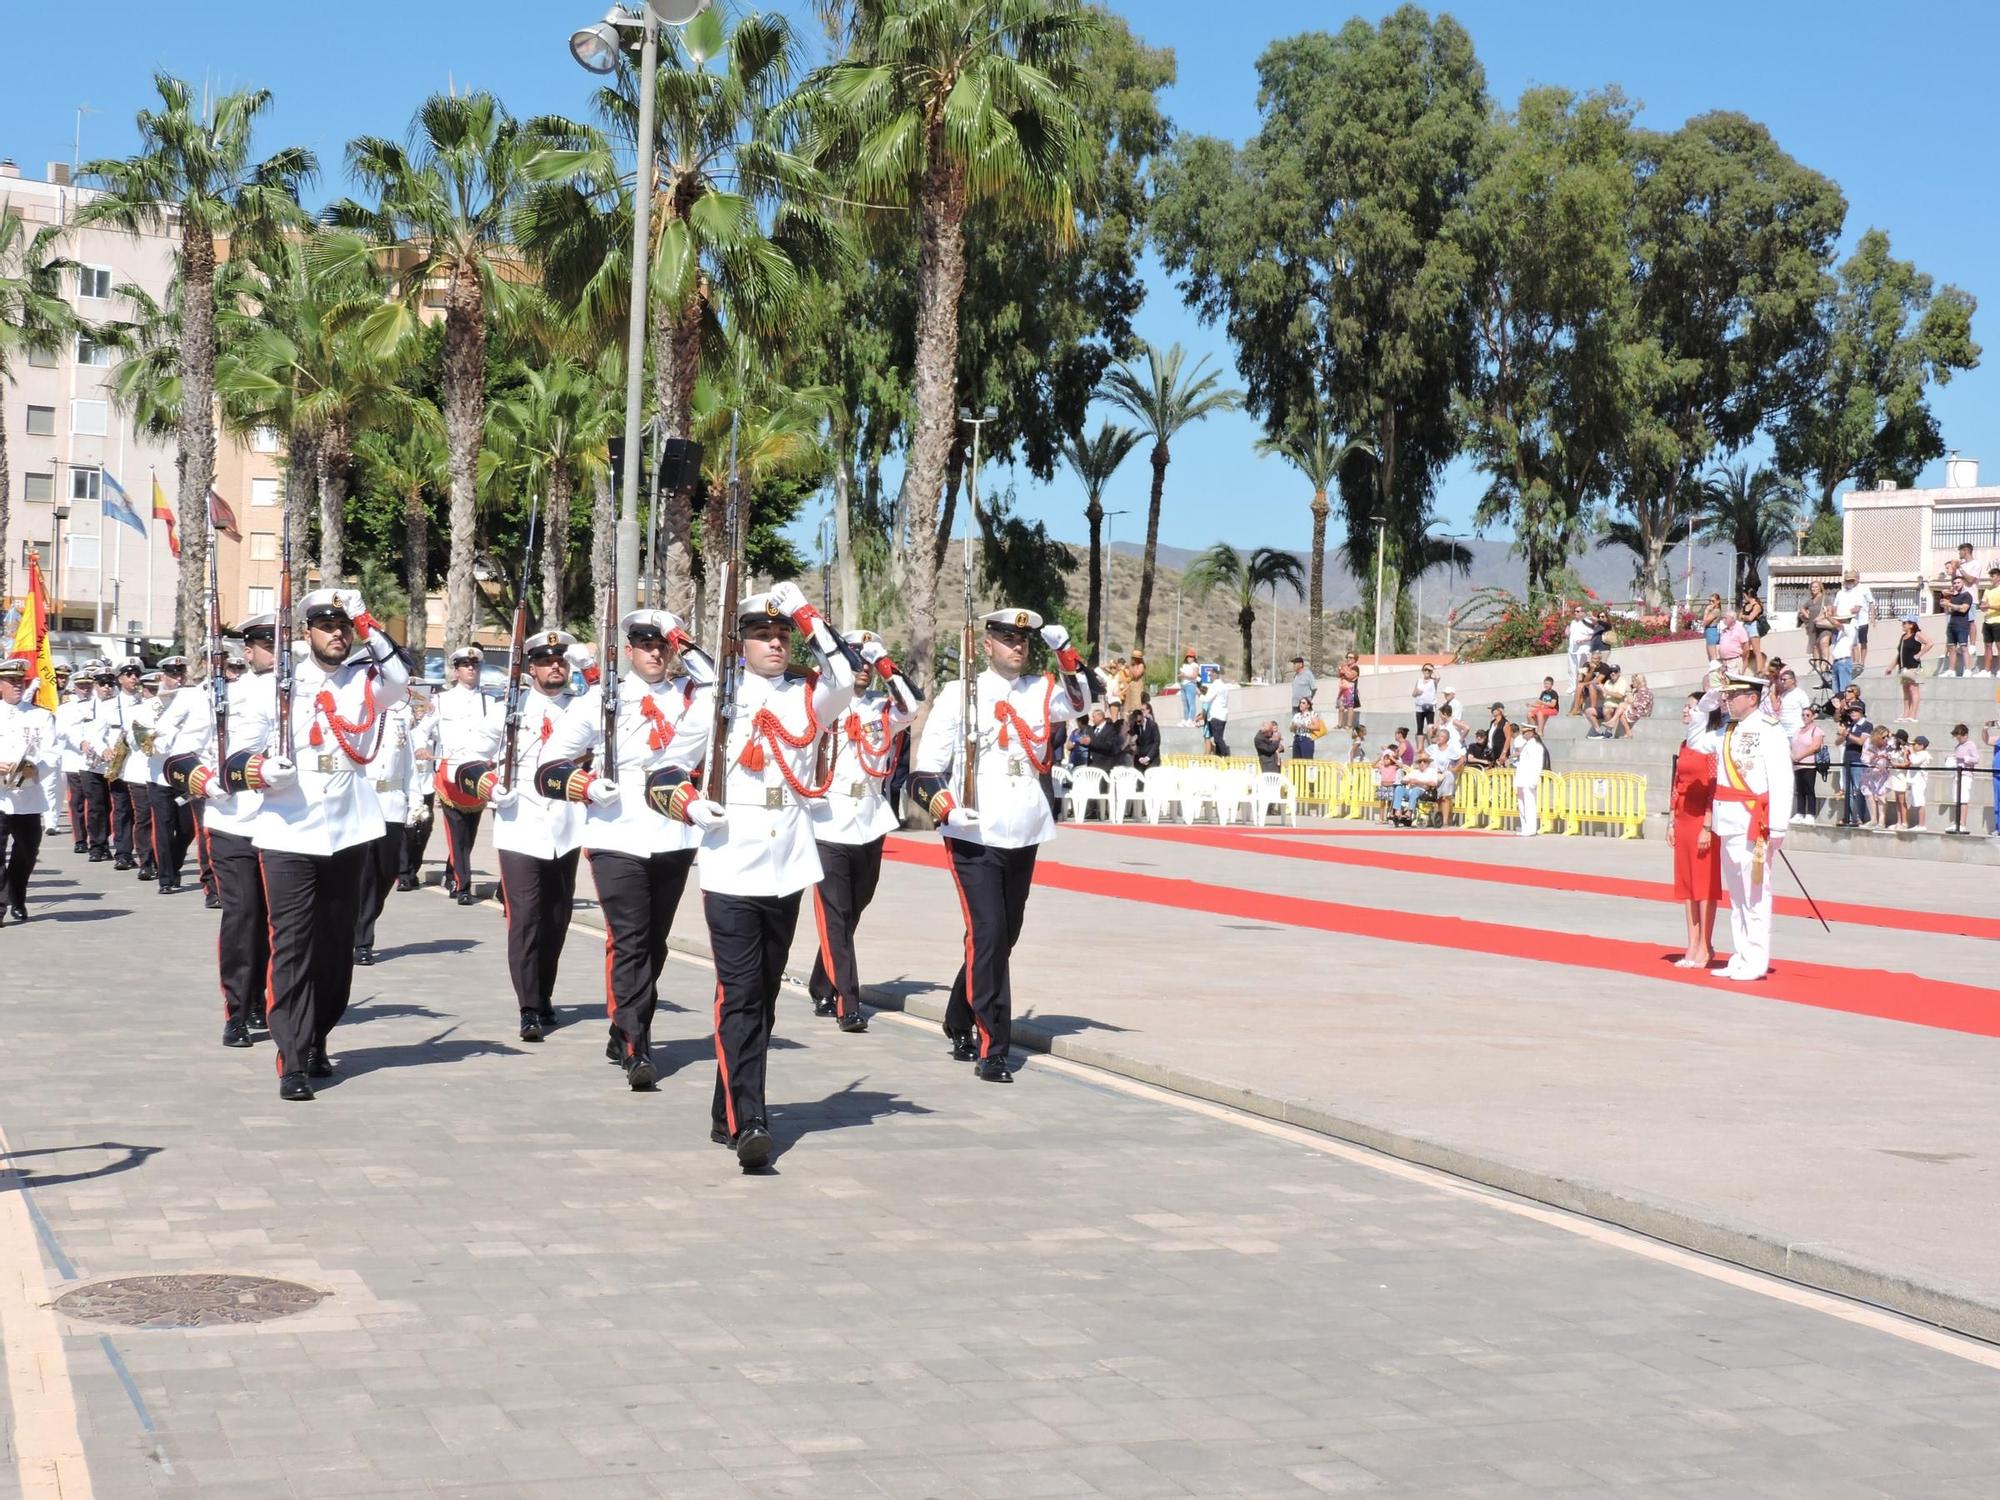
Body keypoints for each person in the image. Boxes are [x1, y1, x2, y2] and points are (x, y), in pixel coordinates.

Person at [655, 584, 854, 1164]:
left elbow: (844, 679)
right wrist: (689, 805)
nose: (774, 642)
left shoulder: (807, 694)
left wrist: (809, 616)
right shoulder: (716, 694)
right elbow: (664, 768)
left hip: (787, 863)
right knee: (740, 996)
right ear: (739, 642)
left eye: (781, 634)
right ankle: (751, 1123)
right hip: (731, 861)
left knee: (764, 998)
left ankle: (727, 1106)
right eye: (763, 635)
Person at [228, 587, 410, 1100]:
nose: (337, 633)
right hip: (289, 827)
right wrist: (263, 769)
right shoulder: (278, 686)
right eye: (326, 625)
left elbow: (400, 678)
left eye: (343, 626)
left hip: (350, 828)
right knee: (292, 945)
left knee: (335, 947)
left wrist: (367, 620)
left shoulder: (366, 679)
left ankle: (318, 1036)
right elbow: (237, 756)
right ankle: (291, 1056)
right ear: (305, 632)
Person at [911, 606, 1089, 1085]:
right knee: (988, 933)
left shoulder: (1040, 691)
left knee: (1003, 935)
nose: (1018, 647)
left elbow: (1082, 702)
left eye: (1024, 640)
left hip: (1024, 828)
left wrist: (1064, 650)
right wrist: (946, 808)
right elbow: (924, 770)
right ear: (986, 644)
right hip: (974, 832)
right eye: (1008, 639)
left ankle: (957, 1012)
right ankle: (994, 1048)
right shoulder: (959, 694)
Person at [536, 608, 714, 1083]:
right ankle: (638, 1045)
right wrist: (586, 787)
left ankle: (622, 1027)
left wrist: (685, 637)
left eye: (664, 645)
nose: (656, 653)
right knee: (632, 939)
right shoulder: (603, 698)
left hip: (674, 826)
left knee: (655, 941)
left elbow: (719, 686)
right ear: (629, 650)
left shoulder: (692, 695)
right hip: (616, 829)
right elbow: (549, 764)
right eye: (647, 645)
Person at [802, 628, 918, 1034]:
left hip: (870, 820)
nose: (863, 669)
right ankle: (846, 1001)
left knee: (853, 911)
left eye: (867, 663)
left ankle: (821, 981)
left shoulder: (882, 710)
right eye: (855, 660)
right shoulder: (818, 706)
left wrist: (885, 662)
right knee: (835, 915)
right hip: (828, 820)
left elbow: (911, 707)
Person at [172, 613, 278, 1047]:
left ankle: (265, 1000)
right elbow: (179, 753)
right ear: (248, 651)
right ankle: (237, 1008)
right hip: (233, 819)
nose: (275, 653)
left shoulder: (306, 695)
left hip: (287, 825)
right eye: (266, 645)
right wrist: (205, 781)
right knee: (243, 915)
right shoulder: (222, 697)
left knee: (279, 920)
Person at [488, 628, 584, 1043]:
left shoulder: (585, 709)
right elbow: (471, 757)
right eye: (546, 661)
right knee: (525, 919)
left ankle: (544, 993)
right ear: (531, 669)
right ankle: (528, 1006)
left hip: (568, 822)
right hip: (520, 823)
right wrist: (490, 786)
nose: (555, 666)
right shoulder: (509, 709)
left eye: (561, 660)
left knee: (557, 919)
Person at [1702, 672, 1793, 981]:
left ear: (1752, 698)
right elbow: (1694, 740)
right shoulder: (1728, 730)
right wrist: (1708, 701)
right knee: (1737, 897)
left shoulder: (1769, 729)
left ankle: (1756, 958)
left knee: (1755, 893)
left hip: (1754, 820)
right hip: (1728, 819)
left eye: (1733, 695)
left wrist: (1778, 826)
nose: (1727, 700)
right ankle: (1741, 955)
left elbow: (1781, 778)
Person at [351, 689, 424, 967]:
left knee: (385, 873)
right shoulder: (356, 715)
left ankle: (361, 924)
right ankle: (361, 940)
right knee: (364, 875)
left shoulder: (398, 717)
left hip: (392, 804)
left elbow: (409, 765)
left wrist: (416, 801)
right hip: (362, 801)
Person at [434, 645, 502, 904]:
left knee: (469, 834)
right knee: (456, 831)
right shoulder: (441, 700)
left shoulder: (491, 702)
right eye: (465, 665)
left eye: (474, 665)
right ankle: (463, 886)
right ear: (456, 670)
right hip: (451, 772)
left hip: (478, 774)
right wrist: (420, 747)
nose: (471, 668)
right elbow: (424, 730)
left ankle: (454, 872)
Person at [0, 660, 57, 923]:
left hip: (28, 797)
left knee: (27, 851)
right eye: (11, 682)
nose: (16, 686)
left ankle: (18, 897)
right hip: (0, 796)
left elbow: (52, 754)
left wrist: (37, 768)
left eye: (20, 681)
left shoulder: (40, 715)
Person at [1669, 694, 1724, 966]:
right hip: (1683, 818)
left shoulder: (1710, 746)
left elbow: (1713, 787)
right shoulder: (1685, 744)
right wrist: (1671, 820)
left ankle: (1705, 945)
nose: (1686, 710)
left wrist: (1707, 824)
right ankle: (1691, 945)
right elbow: (1677, 782)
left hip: (1704, 820)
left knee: (1704, 885)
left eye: (1690, 707)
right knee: (1688, 885)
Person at [112, 661, 154, 878]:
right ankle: (126, 853)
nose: (134, 678)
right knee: (125, 811)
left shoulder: (149, 704)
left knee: (152, 817)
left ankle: (154, 858)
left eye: (137, 674)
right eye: (129, 674)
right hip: (127, 766)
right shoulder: (112, 704)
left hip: (154, 770)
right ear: (120, 678)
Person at [399, 683, 439, 890]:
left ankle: (414, 868)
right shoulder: (399, 714)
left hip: (427, 781)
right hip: (407, 781)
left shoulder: (433, 717)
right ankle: (404, 873)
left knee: (424, 828)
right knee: (407, 827)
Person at [1889, 618, 1931, 723]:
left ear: (1911, 625)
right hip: (1904, 667)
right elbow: (1900, 654)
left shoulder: (1917, 634)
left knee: (1913, 690)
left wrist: (1919, 655)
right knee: (1906, 691)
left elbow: (1929, 643)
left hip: (1914, 667)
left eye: (1904, 623)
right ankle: (1906, 714)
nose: (1902, 625)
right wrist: (1891, 667)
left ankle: (1913, 715)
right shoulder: (1903, 637)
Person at [1512, 719, 1547, 836]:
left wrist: (1533, 780)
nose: (1523, 734)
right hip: (1522, 779)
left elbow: (1537, 765)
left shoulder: (1536, 746)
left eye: (1525, 732)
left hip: (1529, 780)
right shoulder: (1527, 746)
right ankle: (1525, 827)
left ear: (1532, 732)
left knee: (1529, 804)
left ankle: (1531, 828)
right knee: (1522, 804)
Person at [1834, 570, 1875, 670]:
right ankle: (1854, 662)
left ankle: (1861, 662)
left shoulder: (1863, 589)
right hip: (1848, 620)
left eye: (1853, 579)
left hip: (1862, 619)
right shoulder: (1842, 592)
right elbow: (1836, 606)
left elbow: (1871, 602)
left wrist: (1873, 617)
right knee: (1852, 642)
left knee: (1863, 641)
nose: (1851, 581)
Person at [1947, 724, 1977, 834]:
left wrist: (1964, 758)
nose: (1958, 739)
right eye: (1957, 737)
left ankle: (1963, 824)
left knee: (1963, 799)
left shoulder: (1971, 745)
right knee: (1957, 799)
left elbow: (1976, 759)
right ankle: (1957, 822)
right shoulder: (1958, 746)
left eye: (1960, 737)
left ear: (1965, 735)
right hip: (1957, 774)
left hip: (1966, 775)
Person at [1941, 578, 1973, 678]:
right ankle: (1951, 670)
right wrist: (1945, 605)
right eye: (1954, 583)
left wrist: (1949, 604)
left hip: (1962, 625)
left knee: (1963, 647)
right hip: (1952, 624)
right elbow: (1949, 611)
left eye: (1958, 582)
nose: (1956, 584)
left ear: (1963, 583)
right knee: (1952, 648)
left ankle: (1968, 670)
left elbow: (1963, 609)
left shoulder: (1967, 595)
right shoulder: (1953, 597)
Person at [1798, 579, 1834, 662]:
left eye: (1816, 587)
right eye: (1812, 587)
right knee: (1815, 646)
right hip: (1813, 626)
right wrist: (1807, 616)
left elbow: (1830, 611)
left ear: (1820, 588)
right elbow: (1802, 607)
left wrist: (1820, 618)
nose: (1813, 589)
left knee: (1824, 643)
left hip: (1824, 625)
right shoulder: (1810, 600)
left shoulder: (1825, 599)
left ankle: (1825, 664)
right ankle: (1817, 665)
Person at [1566, 604, 1594, 695]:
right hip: (1572, 650)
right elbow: (1569, 634)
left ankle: (1582, 688)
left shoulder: (1587, 622)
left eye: (1578, 611)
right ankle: (1572, 688)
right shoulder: (1573, 622)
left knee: (1582, 671)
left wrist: (1583, 640)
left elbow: (1593, 635)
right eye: (1575, 611)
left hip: (1582, 651)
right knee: (1571, 670)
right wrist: (1567, 633)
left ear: (1583, 613)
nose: (1575, 613)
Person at [1203, 675, 1232, 758]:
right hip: (1223, 715)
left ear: (1214, 675)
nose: (1209, 677)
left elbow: (1207, 699)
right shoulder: (1224, 687)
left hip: (1216, 715)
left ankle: (1226, 753)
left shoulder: (1215, 686)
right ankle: (1220, 755)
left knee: (1217, 738)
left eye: (1210, 675)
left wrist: (1200, 694)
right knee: (1219, 737)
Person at [1907, 735, 1932, 830]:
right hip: (1915, 781)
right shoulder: (1917, 754)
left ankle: (1922, 825)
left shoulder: (1924, 754)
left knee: (1920, 802)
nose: (1913, 746)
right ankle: (1919, 824)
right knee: (1917, 802)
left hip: (1920, 781)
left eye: (1915, 744)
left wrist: (1911, 751)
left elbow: (1915, 761)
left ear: (1922, 746)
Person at [1739, 594, 1768, 675]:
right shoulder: (1745, 605)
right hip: (1745, 628)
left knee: (1756, 651)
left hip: (1753, 628)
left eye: (1744, 596)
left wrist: (1744, 617)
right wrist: (1745, 617)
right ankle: (1742, 671)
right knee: (1745, 651)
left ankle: (1759, 671)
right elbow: (1739, 616)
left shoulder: (1757, 606)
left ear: (1749, 595)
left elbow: (1751, 618)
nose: (1744, 598)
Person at [1129, 697, 1160, 772]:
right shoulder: (1135, 725)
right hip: (1139, 759)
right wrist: (1139, 756)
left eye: (1143, 710)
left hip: (1152, 759)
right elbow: (1134, 743)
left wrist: (1148, 757)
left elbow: (1156, 742)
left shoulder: (1152, 725)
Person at [1982, 567, 2000, 678]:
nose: (1990, 578)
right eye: (1990, 576)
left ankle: (1999, 670)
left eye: (1992, 576)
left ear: (1998, 577)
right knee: (1987, 646)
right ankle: (1987, 670)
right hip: (1987, 622)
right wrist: (1983, 606)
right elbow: (1984, 603)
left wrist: (1989, 606)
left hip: (1998, 622)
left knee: (1999, 646)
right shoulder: (1987, 590)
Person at [1411, 665, 1437, 739]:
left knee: (1430, 726)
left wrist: (1432, 669)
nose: (1427, 671)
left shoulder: (1433, 681)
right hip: (1419, 707)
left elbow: (1438, 677)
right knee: (1419, 728)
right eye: (1425, 669)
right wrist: (1417, 692)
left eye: (1429, 670)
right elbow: (1413, 694)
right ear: (1422, 671)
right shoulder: (1419, 681)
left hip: (1430, 707)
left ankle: (1432, 744)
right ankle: (1420, 747)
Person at [1176, 651, 1200, 725]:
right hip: (1183, 684)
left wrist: (1184, 675)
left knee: (1191, 703)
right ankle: (1185, 718)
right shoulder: (1185, 665)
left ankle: (1191, 719)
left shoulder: (1195, 665)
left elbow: (1194, 676)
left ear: (1194, 658)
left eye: (1191, 657)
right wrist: (1180, 676)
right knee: (1185, 703)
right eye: (1188, 657)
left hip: (1190, 685)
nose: (1189, 658)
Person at [1700, 594, 1725, 663]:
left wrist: (1706, 611)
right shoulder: (1713, 611)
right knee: (1710, 657)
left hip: (1712, 631)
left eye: (1713, 601)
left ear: (1718, 601)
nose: (1711, 603)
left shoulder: (1716, 611)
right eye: (1710, 601)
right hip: (1709, 631)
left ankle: (1716, 672)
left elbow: (1705, 622)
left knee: (1713, 658)